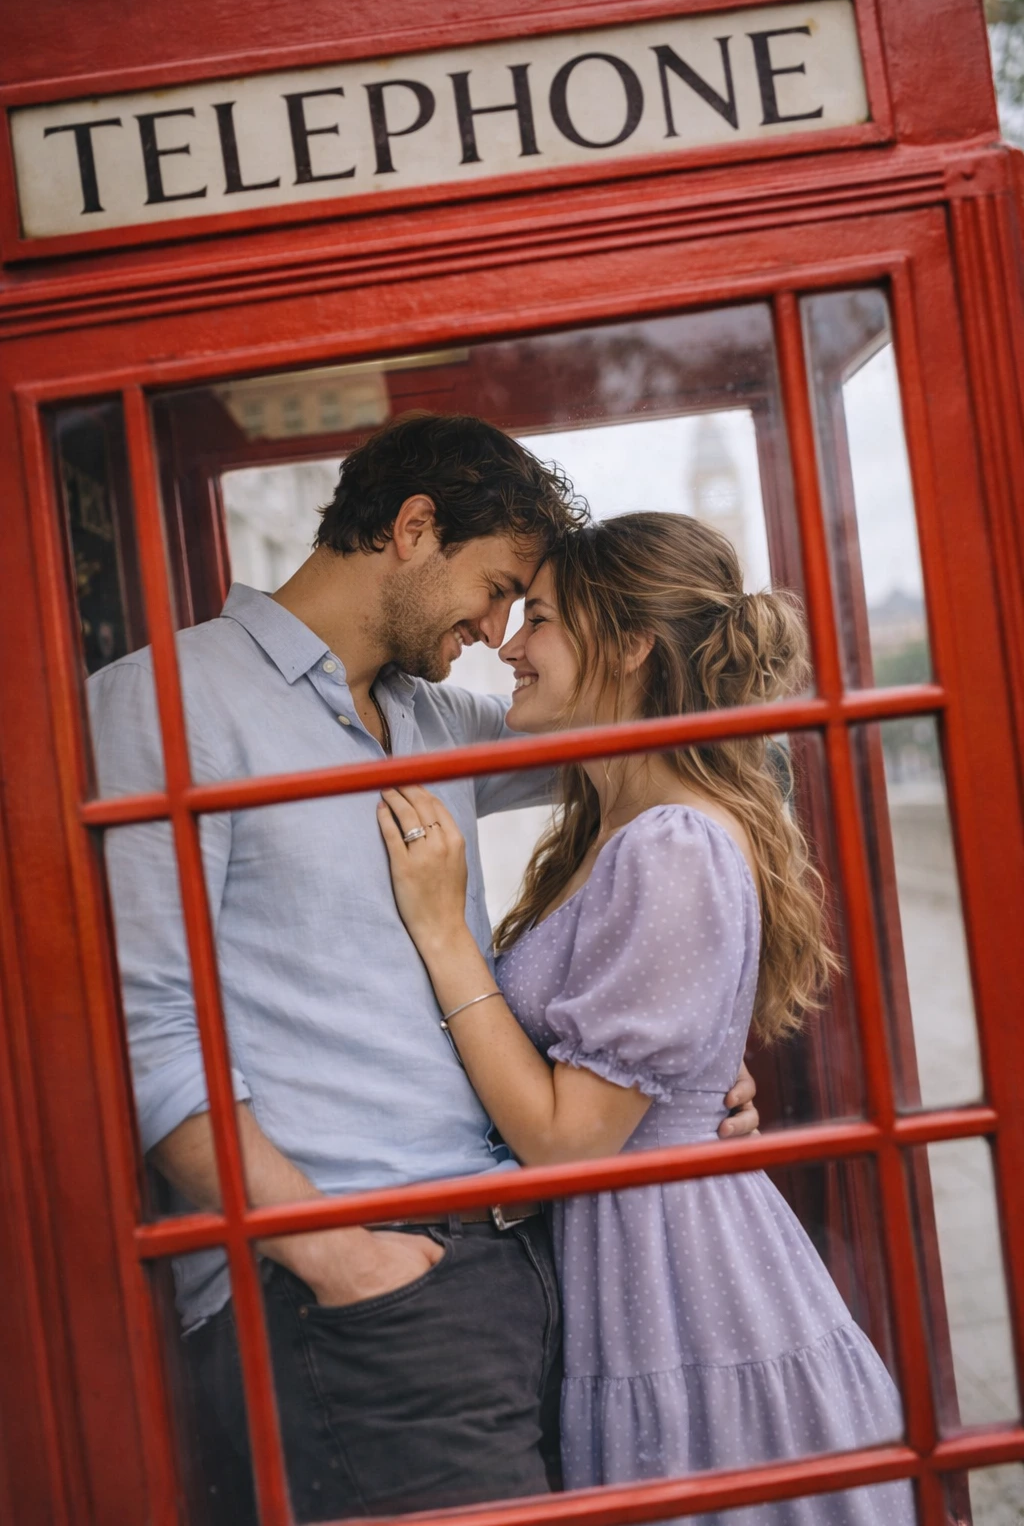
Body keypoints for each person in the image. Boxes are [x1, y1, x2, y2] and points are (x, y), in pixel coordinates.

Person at [88, 418, 760, 1525]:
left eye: (519, 610)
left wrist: (674, 1070)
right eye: (498, 589)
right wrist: (342, 1262)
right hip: (353, 1296)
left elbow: (664, 724)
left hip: (522, 1262)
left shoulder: (432, 717)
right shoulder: (164, 701)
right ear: (411, 531)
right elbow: (145, 1039)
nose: (499, 633)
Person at [378, 511, 914, 1526]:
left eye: (540, 618)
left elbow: (568, 1139)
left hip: (683, 1284)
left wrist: (443, 931)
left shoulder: (669, 843)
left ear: (627, 648)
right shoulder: (612, 824)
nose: (511, 644)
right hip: (633, 1265)